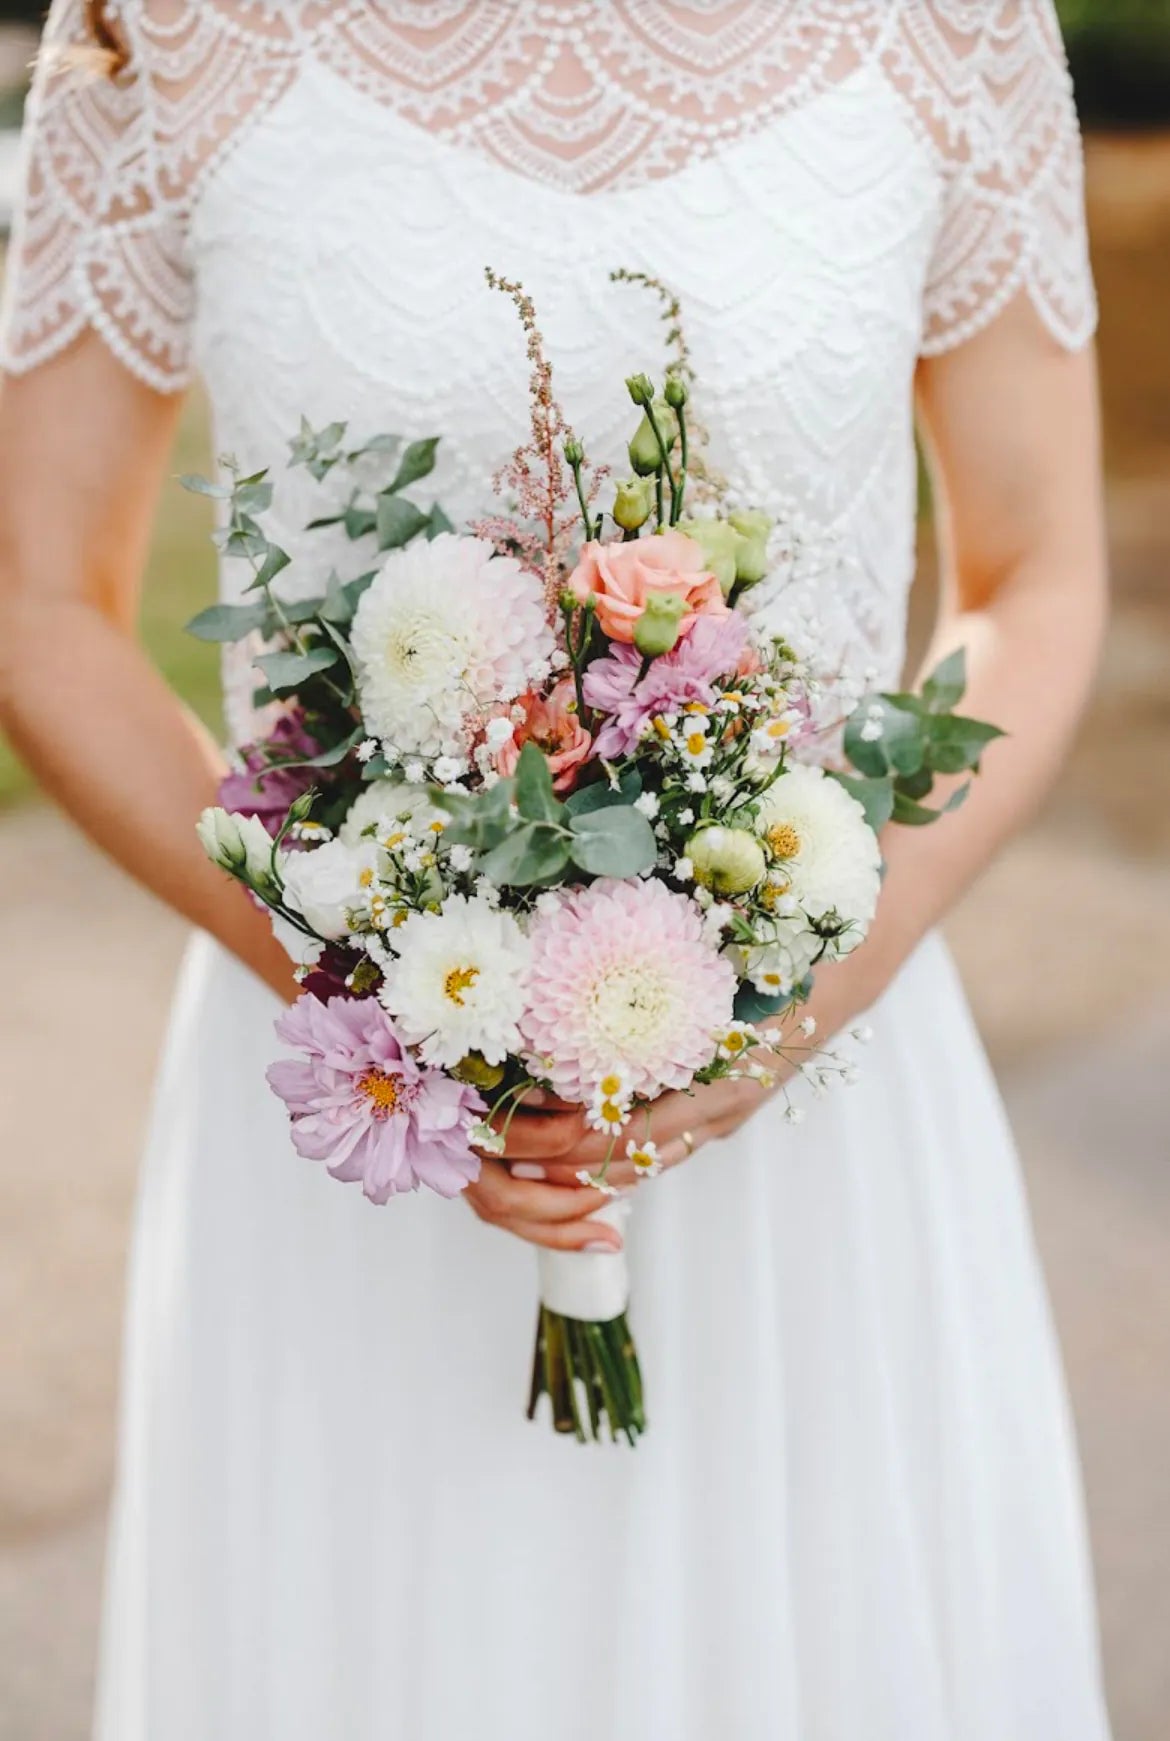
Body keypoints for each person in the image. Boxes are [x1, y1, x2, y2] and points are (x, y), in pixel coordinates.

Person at [0, 4, 1112, 1738]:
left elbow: (1039, 568)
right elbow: (38, 600)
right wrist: (366, 990)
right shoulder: (175, 28)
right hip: (353, 1134)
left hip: (812, 1115)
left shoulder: (947, 27)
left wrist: (819, 970)